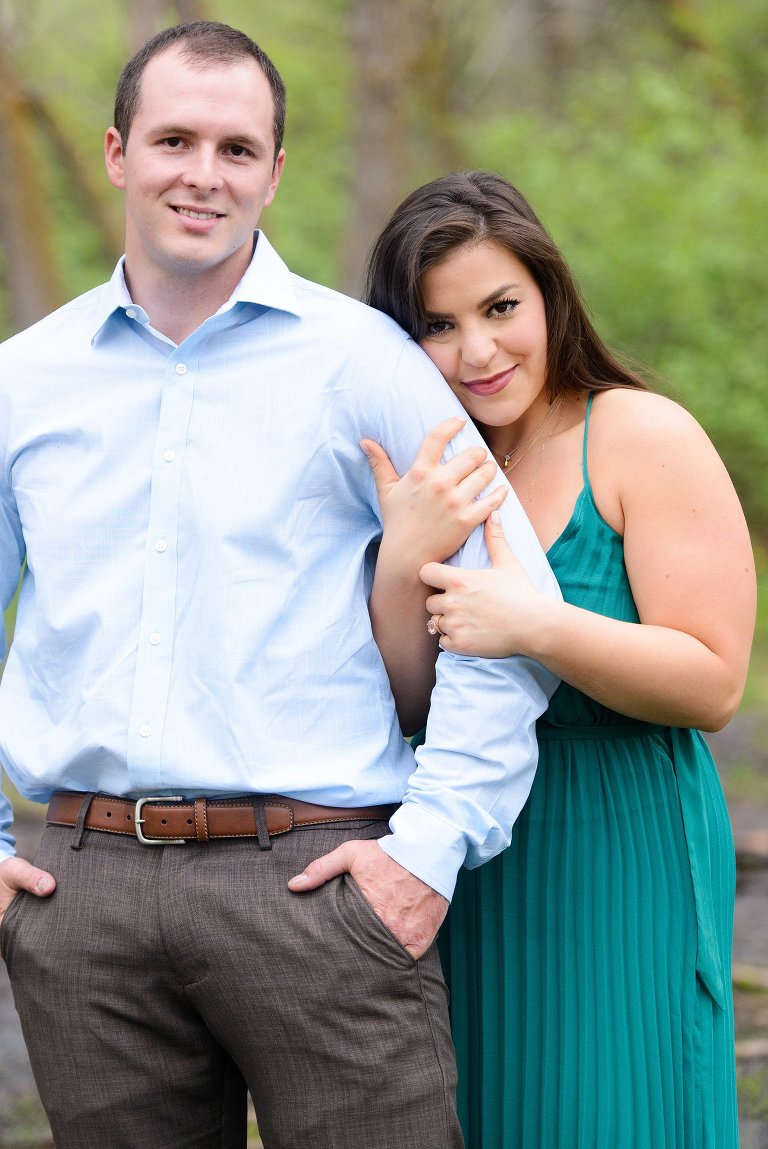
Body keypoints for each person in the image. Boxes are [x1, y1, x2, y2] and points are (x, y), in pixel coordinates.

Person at [0, 26, 562, 1149]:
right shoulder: (24, 379)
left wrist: (431, 847)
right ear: (117, 152)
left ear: (274, 172)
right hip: (80, 896)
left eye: (236, 148)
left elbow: (514, 609)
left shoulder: (364, 363)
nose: (202, 174)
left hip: (316, 884)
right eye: (173, 139)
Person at [363, 169, 755, 1148]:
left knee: (610, 1113)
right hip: (476, 852)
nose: (479, 350)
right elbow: (408, 700)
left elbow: (714, 682)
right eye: (440, 325)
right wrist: (401, 562)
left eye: (501, 307)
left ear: (550, 293)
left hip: (625, 844)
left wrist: (536, 625)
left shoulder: (635, 435)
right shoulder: (436, 468)